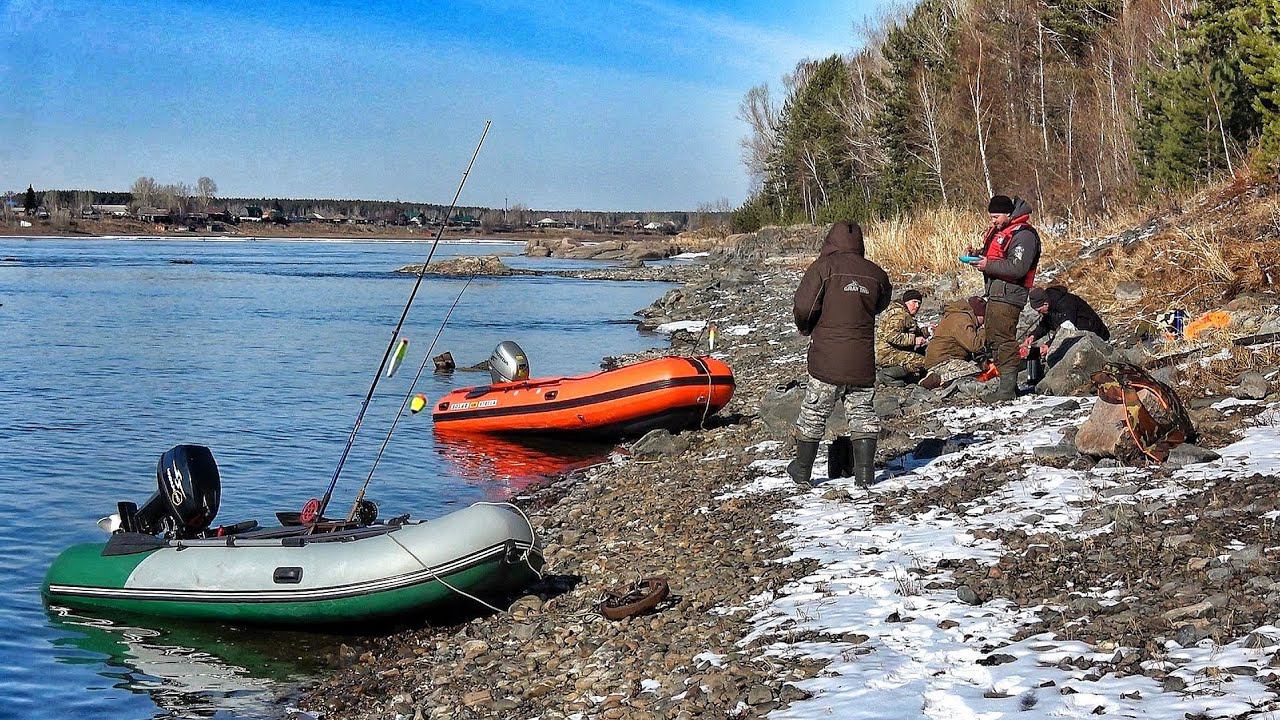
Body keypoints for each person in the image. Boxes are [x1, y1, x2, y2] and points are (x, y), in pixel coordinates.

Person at [788, 222, 892, 487]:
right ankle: (865, 475)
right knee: (863, 414)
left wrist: (805, 327)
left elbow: (804, 307)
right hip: (861, 361)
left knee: (814, 413)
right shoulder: (876, 274)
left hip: (827, 360)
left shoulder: (823, 268)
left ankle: (801, 471)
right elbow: (881, 303)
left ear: (830, 241)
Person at [969, 194, 1041, 401]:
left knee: (1003, 338)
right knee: (994, 337)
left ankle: (1007, 389)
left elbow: (1018, 267)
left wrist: (987, 265)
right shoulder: (1005, 231)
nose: (993, 222)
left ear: (1009, 214)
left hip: (1010, 294)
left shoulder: (1024, 235)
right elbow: (999, 256)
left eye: (996, 217)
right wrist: (979, 255)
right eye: (992, 217)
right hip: (997, 292)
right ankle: (1007, 386)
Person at [921, 296, 987, 389]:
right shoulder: (961, 320)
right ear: (979, 314)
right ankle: (939, 379)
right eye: (984, 317)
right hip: (943, 361)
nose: (983, 321)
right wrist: (984, 330)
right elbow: (975, 345)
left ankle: (937, 376)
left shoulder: (957, 315)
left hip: (940, 359)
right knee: (974, 371)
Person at [1025, 285, 1110, 351]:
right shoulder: (1050, 305)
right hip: (1079, 336)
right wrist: (1033, 335)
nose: (1039, 313)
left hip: (1096, 337)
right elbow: (1046, 324)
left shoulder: (1066, 304)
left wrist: (1049, 345)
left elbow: (1067, 330)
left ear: (1045, 304)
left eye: (1039, 310)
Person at [876, 289, 928, 377]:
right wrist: (914, 340)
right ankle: (887, 374)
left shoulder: (905, 314)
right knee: (922, 362)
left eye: (919, 303)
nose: (917, 306)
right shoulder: (899, 315)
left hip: (896, 350)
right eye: (914, 302)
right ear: (906, 302)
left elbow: (913, 331)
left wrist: (927, 331)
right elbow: (891, 336)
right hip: (887, 353)